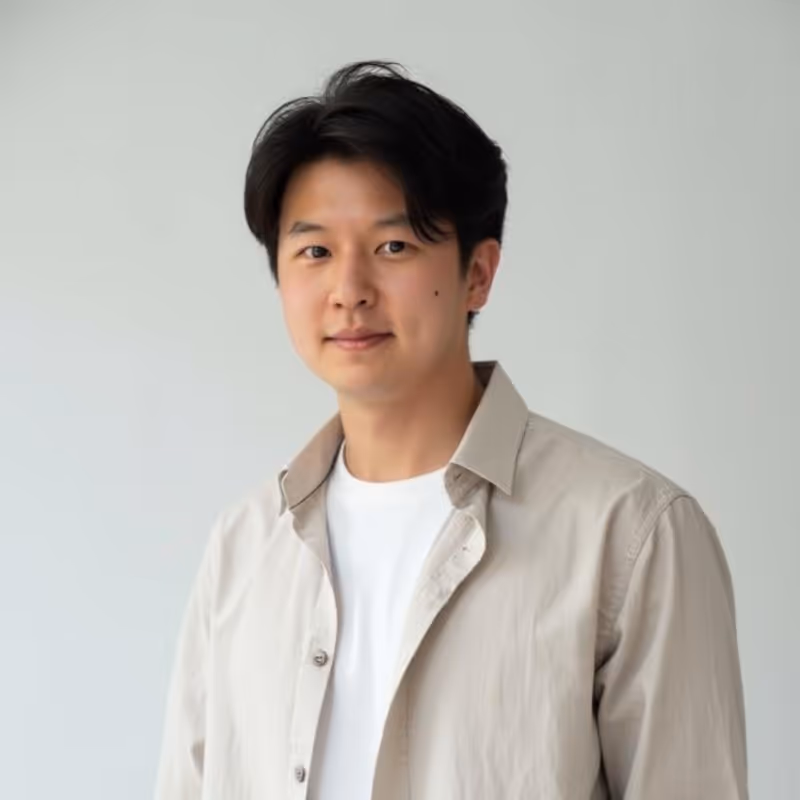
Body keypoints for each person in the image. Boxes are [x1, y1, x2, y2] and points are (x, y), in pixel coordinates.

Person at [154, 61, 748, 799]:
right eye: (314, 250)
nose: (349, 291)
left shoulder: (630, 535)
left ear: (478, 274)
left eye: (393, 246)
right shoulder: (245, 546)